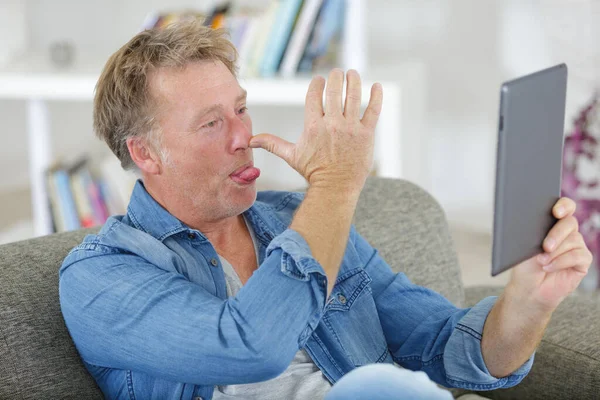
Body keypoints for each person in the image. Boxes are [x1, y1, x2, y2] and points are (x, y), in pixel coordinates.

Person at [58, 21, 592, 400]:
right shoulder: (100, 276)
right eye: (211, 123)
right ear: (145, 153)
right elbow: (253, 346)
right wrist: (335, 185)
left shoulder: (300, 217)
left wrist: (529, 299)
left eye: (240, 109)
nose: (244, 136)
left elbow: (448, 348)